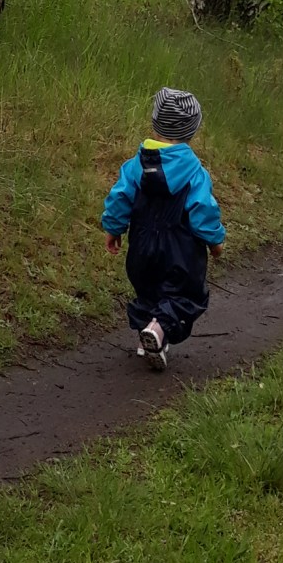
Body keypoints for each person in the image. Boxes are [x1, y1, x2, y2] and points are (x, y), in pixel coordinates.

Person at [100, 86, 225, 370]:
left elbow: (120, 197)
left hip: (142, 246)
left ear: (154, 123)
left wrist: (114, 228)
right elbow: (203, 210)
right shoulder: (194, 172)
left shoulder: (135, 165)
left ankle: (151, 340)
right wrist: (215, 242)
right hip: (180, 248)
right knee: (186, 294)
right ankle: (157, 330)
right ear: (192, 130)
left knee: (149, 290)